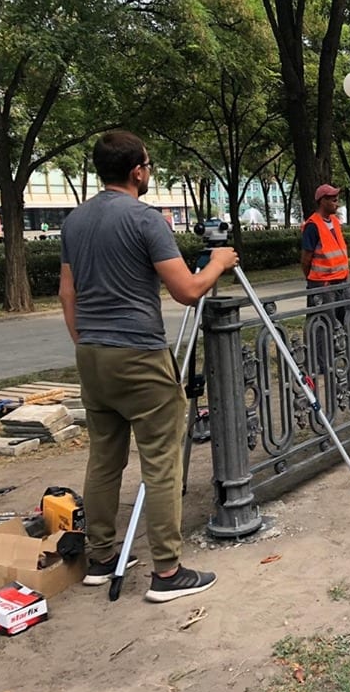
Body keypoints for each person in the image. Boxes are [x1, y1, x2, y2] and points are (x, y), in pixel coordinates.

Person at [58, 130, 239, 603]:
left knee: (104, 459)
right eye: (149, 164)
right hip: (138, 354)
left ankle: (100, 559)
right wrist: (218, 262)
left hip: (92, 356)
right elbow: (186, 290)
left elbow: (67, 293)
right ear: (137, 169)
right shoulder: (145, 220)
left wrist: (86, 342)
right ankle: (167, 571)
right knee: (160, 461)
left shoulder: (74, 221)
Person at [301, 183, 349, 300]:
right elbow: (306, 259)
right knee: (327, 317)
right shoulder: (313, 225)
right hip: (323, 284)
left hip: (341, 280)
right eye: (334, 201)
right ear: (323, 201)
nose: (337, 204)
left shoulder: (335, 221)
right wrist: (313, 281)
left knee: (344, 316)